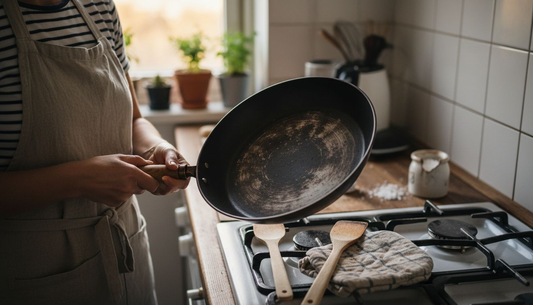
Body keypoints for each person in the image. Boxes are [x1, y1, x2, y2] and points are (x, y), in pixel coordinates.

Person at [0, 0, 190, 304]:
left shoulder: (99, 7)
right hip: (34, 272)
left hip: (125, 247)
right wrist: (78, 180)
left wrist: (158, 148)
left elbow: (133, 120)